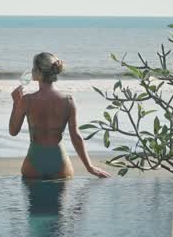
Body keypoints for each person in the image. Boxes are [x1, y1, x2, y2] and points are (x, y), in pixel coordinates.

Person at [9, 52, 110, 180]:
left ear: (40, 72)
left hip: (33, 163)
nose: (31, 71)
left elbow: (13, 131)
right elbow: (76, 136)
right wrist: (89, 167)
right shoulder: (68, 101)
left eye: (34, 68)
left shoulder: (27, 100)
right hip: (60, 163)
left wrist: (15, 103)